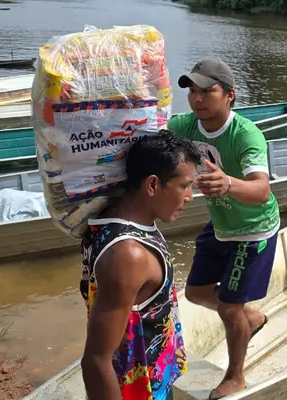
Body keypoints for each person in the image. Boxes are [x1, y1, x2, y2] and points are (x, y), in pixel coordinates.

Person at [167, 58, 280, 400]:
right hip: (220, 224)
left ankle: (236, 376)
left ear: (230, 95)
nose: (197, 98)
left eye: (207, 91)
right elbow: (148, 134)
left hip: (253, 229)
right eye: (192, 91)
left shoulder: (245, 134)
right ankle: (252, 318)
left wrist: (228, 183)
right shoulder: (184, 125)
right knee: (195, 292)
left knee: (229, 307)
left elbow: (262, 190)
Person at [80, 130, 201, 400]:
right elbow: (96, 360)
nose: (190, 196)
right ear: (152, 185)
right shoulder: (129, 255)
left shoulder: (113, 220)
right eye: (184, 185)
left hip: (154, 379)